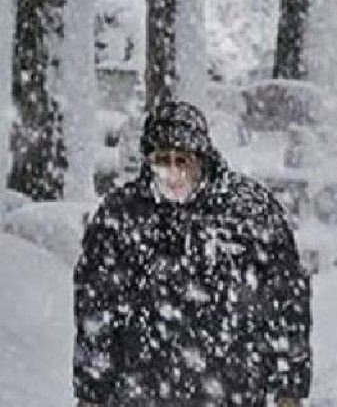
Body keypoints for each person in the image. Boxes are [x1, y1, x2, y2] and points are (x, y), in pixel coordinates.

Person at [73, 100, 312, 405]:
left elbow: (287, 298)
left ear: (202, 158)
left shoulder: (251, 211)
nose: (173, 173)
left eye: (182, 160)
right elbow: (96, 308)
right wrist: (91, 391)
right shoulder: (121, 215)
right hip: (143, 390)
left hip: (232, 388)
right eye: (162, 160)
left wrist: (289, 386)